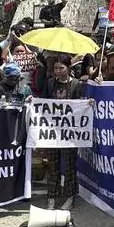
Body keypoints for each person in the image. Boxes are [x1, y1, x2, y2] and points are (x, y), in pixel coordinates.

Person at [42, 55, 84, 210]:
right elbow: (43, 103)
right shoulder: (50, 83)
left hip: (69, 133)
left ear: (68, 68)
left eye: (61, 68)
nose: (58, 71)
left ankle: (70, 197)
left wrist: (88, 104)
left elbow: (80, 105)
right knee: (52, 165)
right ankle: (52, 197)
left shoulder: (76, 84)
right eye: (55, 68)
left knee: (69, 165)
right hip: (52, 132)